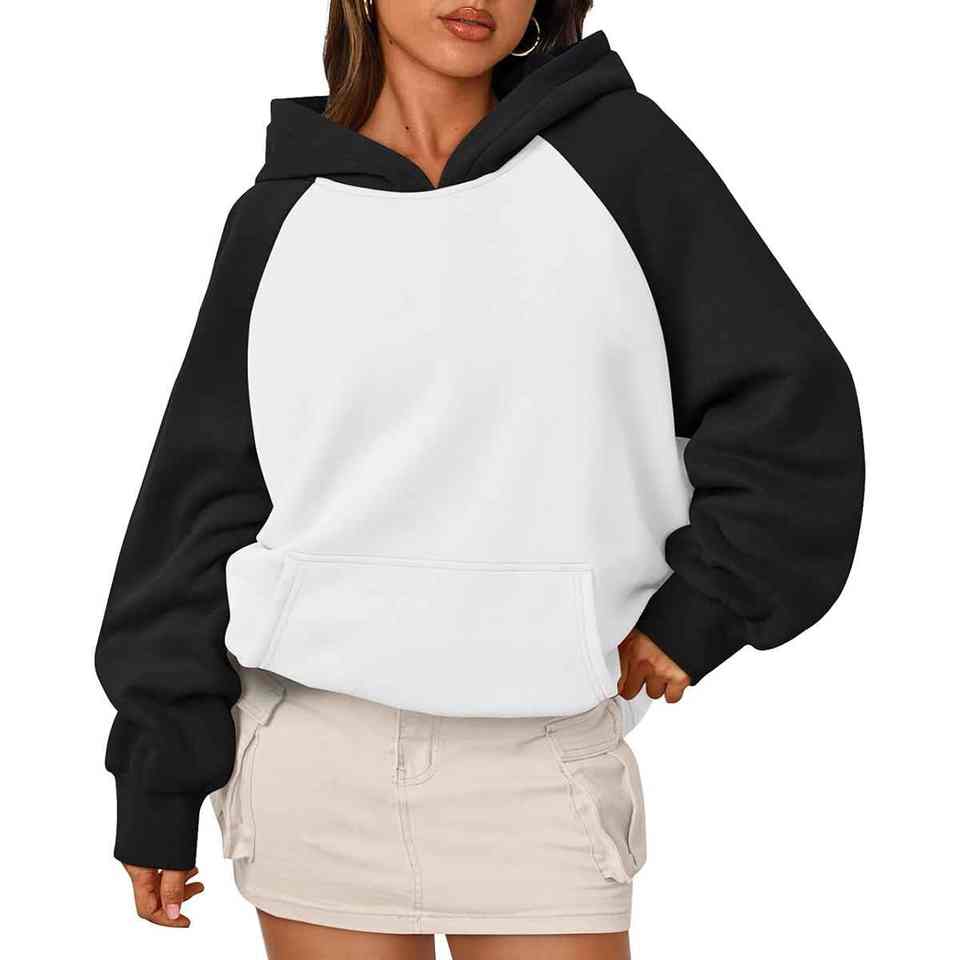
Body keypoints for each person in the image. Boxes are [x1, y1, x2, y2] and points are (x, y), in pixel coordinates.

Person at [95, 2, 864, 957]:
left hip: (539, 757)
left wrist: (708, 603)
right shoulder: (279, 218)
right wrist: (160, 774)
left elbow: (789, 398)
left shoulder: (619, 160)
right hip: (310, 753)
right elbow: (201, 503)